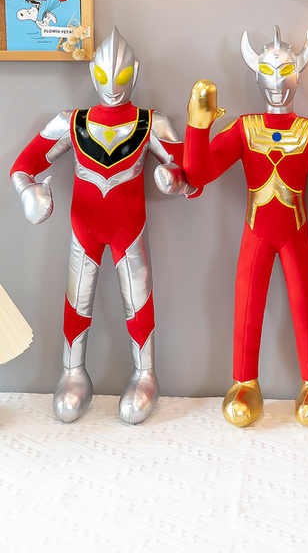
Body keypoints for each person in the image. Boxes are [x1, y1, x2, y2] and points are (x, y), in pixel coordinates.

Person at [183, 26, 308, 428]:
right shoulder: (242, 128)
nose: (276, 81)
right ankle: (244, 382)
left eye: (285, 70)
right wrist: (197, 126)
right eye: (268, 71)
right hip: (257, 232)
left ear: (299, 75)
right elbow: (199, 173)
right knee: (247, 305)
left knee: (306, 304)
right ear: (256, 75)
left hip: (293, 234)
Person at [10, 28, 193, 424]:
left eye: (121, 76)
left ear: (135, 73)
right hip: (85, 228)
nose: (112, 86)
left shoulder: (152, 123)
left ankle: (145, 373)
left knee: (138, 300)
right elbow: (23, 166)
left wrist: (174, 180)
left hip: (129, 230)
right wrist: (29, 193)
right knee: (77, 299)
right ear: (92, 72)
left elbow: (191, 175)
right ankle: (73, 370)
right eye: (104, 75)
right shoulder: (70, 123)